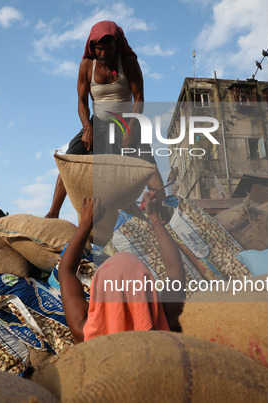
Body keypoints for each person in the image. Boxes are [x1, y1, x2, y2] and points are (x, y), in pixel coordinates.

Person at [45, 20, 165, 219]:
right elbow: (82, 103)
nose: (102, 54)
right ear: (93, 48)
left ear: (116, 45)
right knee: (70, 160)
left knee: (147, 165)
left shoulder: (128, 63)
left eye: (107, 49)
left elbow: (139, 98)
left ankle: (163, 207)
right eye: (98, 49)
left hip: (127, 122)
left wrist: (132, 128)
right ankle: (53, 212)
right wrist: (86, 127)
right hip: (97, 122)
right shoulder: (86, 66)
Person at [58, 194, 185, 344]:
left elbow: (65, 270)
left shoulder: (85, 332)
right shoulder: (166, 320)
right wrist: (154, 217)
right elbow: (174, 270)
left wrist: (86, 223)